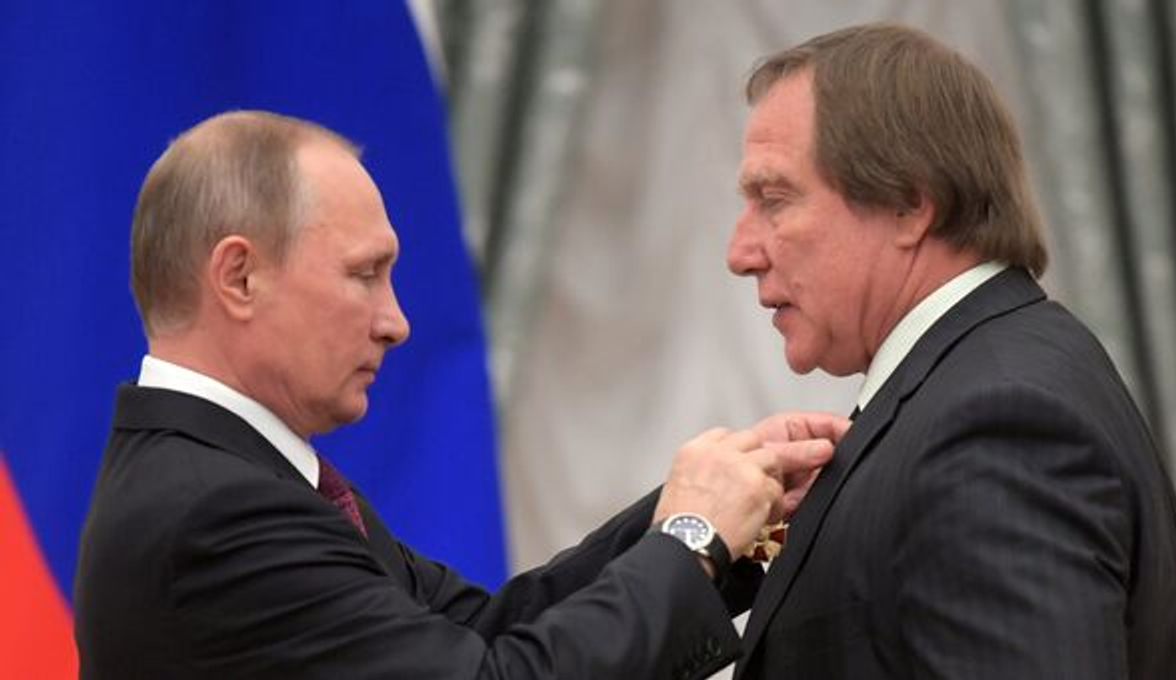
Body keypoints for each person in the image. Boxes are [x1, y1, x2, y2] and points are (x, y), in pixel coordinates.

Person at [73, 110, 849, 679]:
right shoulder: (214, 511)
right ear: (239, 277)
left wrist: (728, 514)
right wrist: (691, 537)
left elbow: (485, 629)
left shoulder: (230, 476)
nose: (396, 322)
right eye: (363, 274)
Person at [725, 22, 1176, 679]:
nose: (740, 253)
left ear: (909, 204)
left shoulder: (999, 424)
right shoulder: (969, 392)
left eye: (774, 200)